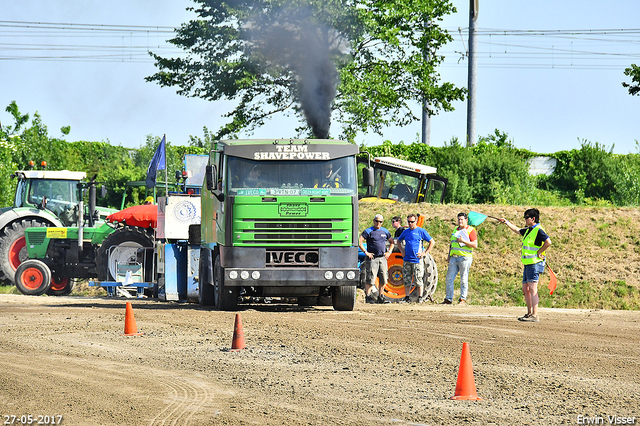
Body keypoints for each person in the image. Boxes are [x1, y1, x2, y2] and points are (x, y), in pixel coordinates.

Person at [499, 208, 552, 322]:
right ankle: (529, 313)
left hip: (534, 263)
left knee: (533, 289)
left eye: (526, 217)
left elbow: (548, 242)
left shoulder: (538, 230)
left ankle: (535, 314)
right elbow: (518, 230)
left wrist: (539, 252)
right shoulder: (529, 230)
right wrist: (506, 222)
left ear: (533, 219)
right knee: (525, 289)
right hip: (528, 263)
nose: (525, 219)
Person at [397, 213, 435, 303]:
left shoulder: (421, 231)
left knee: (418, 279)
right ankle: (407, 297)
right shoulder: (405, 232)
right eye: (409, 222)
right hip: (407, 259)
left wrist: (425, 253)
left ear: (416, 221)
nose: (410, 224)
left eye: (412, 222)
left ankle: (420, 297)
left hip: (417, 260)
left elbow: (432, 242)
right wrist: (402, 252)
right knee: (407, 279)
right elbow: (398, 241)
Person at [442, 212, 478, 306]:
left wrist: (464, 241)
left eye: (462, 219)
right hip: (454, 257)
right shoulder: (455, 229)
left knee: (463, 279)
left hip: (465, 257)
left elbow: (475, 245)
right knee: (449, 279)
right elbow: (452, 243)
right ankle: (448, 299)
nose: (460, 221)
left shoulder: (471, 230)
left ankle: (462, 299)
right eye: (458, 219)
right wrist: (449, 256)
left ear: (466, 220)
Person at [358, 214, 395, 304]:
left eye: (380, 221)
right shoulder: (369, 231)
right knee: (370, 278)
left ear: (382, 222)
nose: (378, 223)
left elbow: (392, 242)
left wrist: (389, 252)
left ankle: (381, 296)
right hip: (372, 258)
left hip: (382, 258)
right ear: (374, 221)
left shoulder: (385, 231)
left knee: (383, 278)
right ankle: (368, 296)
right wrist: (366, 252)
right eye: (377, 221)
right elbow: (359, 241)